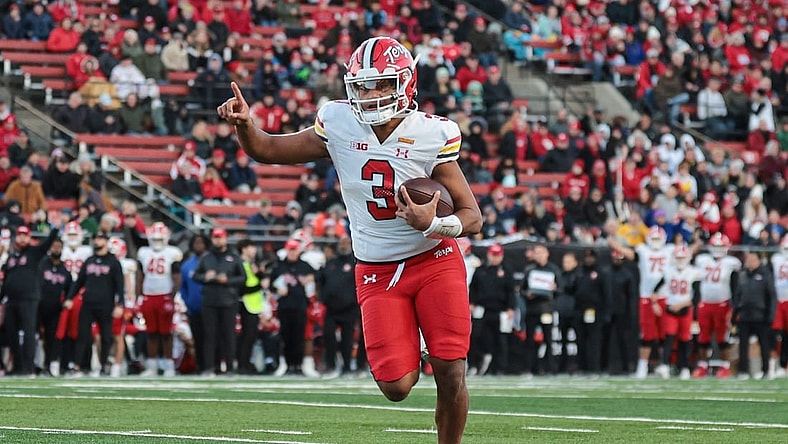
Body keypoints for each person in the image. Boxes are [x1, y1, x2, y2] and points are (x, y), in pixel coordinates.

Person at [217, 36, 482, 442]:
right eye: (363, 86)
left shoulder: (431, 133)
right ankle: (414, 337)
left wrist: (433, 224)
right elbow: (268, 150)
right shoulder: (339, 122)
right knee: (396, 386)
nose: (371, 95)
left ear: (406, 84)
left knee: (450, 369)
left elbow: (472, 216)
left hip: (432, 259)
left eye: (382, 85)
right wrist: (244, 126)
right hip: (377, 267)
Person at [609, 226, 675, 379]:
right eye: (654, 238)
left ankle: (664, 365)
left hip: (665, 296)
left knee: (665, 334)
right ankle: (643, 365)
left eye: (658, 238)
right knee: (647, 334)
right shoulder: (643, 251)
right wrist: (614, 243)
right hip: (647, 297)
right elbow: (629, 254)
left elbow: (686, 253)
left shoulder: (670, 251)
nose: (656, 241)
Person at [0, 225, 59, 375]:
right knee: (11, 333)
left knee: (28, 332)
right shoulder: (12, 256)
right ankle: (17, 367)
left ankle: (28, 367)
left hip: (29, 299)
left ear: (29, 238)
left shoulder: (34, 252)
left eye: (25, 235)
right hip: (12, 299)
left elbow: (48, 243)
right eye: (19, 235)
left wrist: (56, 228)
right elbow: (6, 279)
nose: (22, 238)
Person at [63, 231, 125, 376]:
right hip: (88, 303)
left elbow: (119, 285)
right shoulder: (89, 261)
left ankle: (104, 366)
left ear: (106, 241)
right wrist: (70, 298)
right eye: (95, 238)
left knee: (106, 336)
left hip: (106, 304)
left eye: (100, 238)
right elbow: (79, 282)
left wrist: (120, 304)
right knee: (82, 335)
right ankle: (78, 366)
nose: (97, 241)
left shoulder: (113, 262)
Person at [192, 227, 246, 376]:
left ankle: (229, 367)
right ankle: (210, 367)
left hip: (229, 301)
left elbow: (243, 278)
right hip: (210, 301)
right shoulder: (206, 257)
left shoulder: (234, 257)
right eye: (216, 238)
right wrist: (206, 277)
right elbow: (195, 276)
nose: (218, 240)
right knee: (210, 336)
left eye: (220, 237)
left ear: (225, 239)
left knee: (229, 335)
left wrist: (227, 280)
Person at [136, 222, 183, 377]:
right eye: (154, 239)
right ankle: (152, 366)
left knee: (166, 333)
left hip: (165, 295)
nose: (157, 242)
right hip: (148, 295)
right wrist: (138, 297)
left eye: (159, 239)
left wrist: (172, 296)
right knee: (151, 333)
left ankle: (169, 365)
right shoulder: (143, 252)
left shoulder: (172, 252)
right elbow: (140, 276)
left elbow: (177, 277)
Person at [692, 233, 741, 379]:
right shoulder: (702, 260)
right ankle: (702, 366)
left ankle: (725, 366)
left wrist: (733, 306)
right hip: (704, 303)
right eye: (715, 246)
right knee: (703, 336)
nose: (718, 249)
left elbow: (735, 285)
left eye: (720, 246)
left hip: (722, 304)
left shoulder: (731, 262)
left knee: (722, 337)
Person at [652, 244, 702, 380]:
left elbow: (696, 297)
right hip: (671, 309)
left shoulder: (694, 272)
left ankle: (684, 367)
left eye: (682, 258)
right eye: (678, 258)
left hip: (685, 309)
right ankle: (664, 365)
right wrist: (654, 304)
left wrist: (680, 305)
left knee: (685, 340)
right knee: (669, 338)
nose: (680, 260)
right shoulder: (669, 271)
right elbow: (655, 289)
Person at [467, 243, 516, 376]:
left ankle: (499, 368)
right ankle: (474, 364)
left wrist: (511, 307)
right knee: (475, 336)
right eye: (493, 255)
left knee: (501, 340)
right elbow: (473, 288)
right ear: (488, 255)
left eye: (498, 255)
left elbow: (511, 291)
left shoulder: (506, 270)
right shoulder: (480, 270)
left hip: (500, 311)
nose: (495, 258)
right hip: (481, 309)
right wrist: (471, 303)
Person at [318, 235, 361, 378]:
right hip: (331, 308)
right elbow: (321, 281)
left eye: (346, 243)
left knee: (347, 339)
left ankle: (347, 367)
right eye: (342, 243)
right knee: (329, 337)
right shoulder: (331, 263)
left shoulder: (355, 263)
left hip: (349, 308)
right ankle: (331, 366)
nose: (343, 245)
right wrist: (322, 298)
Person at [519, 244, 562, 376]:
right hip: (532, 309)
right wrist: (527, 294)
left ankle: (550, 368)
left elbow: (561, 289)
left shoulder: (554, 270)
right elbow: (522, 289)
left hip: (546, 309)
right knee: (530, 340)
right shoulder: (530, 270)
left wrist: (555, 289)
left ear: (547, 254)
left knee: (548, 339)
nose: (539, 255)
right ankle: (529, 368)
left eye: (541, 253)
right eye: (537, 253)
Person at [734, 251, 777, 379]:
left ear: (758, 261)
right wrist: (736, 312)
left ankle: (766, 370)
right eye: (748, 260)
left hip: (761, 315)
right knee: (743, 345)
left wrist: (770, 315)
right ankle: (743, 371)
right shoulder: (742, 275)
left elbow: (771, 296)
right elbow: (737, 295)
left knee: (764, 344)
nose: (750, 262)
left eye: (752, 260)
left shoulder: (765, 274)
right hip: (745, 315)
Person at [37, 237, 72, 376]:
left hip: (55, 308)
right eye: (54, 246)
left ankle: (49, 365)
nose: (56, 249)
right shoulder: (41, 265)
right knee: (35, 335)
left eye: (59, 246)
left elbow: (70, 288)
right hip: (38, 306)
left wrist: (67, 300)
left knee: (52, 338)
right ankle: (33, 365)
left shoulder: (65, 270)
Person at [179, 233, 209, 373]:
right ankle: (200, 366)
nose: (199, 245)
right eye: (196, 243)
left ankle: (213, 365)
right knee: (197, 338)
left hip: (211, 308)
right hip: (194, 308)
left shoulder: (211, 262)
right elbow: (183, 287)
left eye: (201, 242)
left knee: (211, 338)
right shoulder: (187, 265)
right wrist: (188, 302)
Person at [237, 238, 266, 375]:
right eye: (251, 247)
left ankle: (247, 363)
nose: (254, 250)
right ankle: (243, 365)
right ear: (244, 249)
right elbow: (242, 288)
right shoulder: (240, 264)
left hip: (254, 304)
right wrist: (260, 285)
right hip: (245, 303)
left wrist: (259, 274)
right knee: (247, 336)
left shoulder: (252, 264)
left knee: (251, 336)